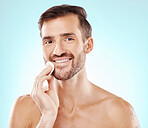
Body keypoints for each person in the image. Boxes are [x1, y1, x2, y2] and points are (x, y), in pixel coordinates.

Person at [8, 4, 140, 128]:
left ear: (88, 45)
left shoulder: (118, 112)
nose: (57, 51)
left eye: (68, 39)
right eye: (49, 41)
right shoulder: (23, 108)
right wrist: (47, 119)